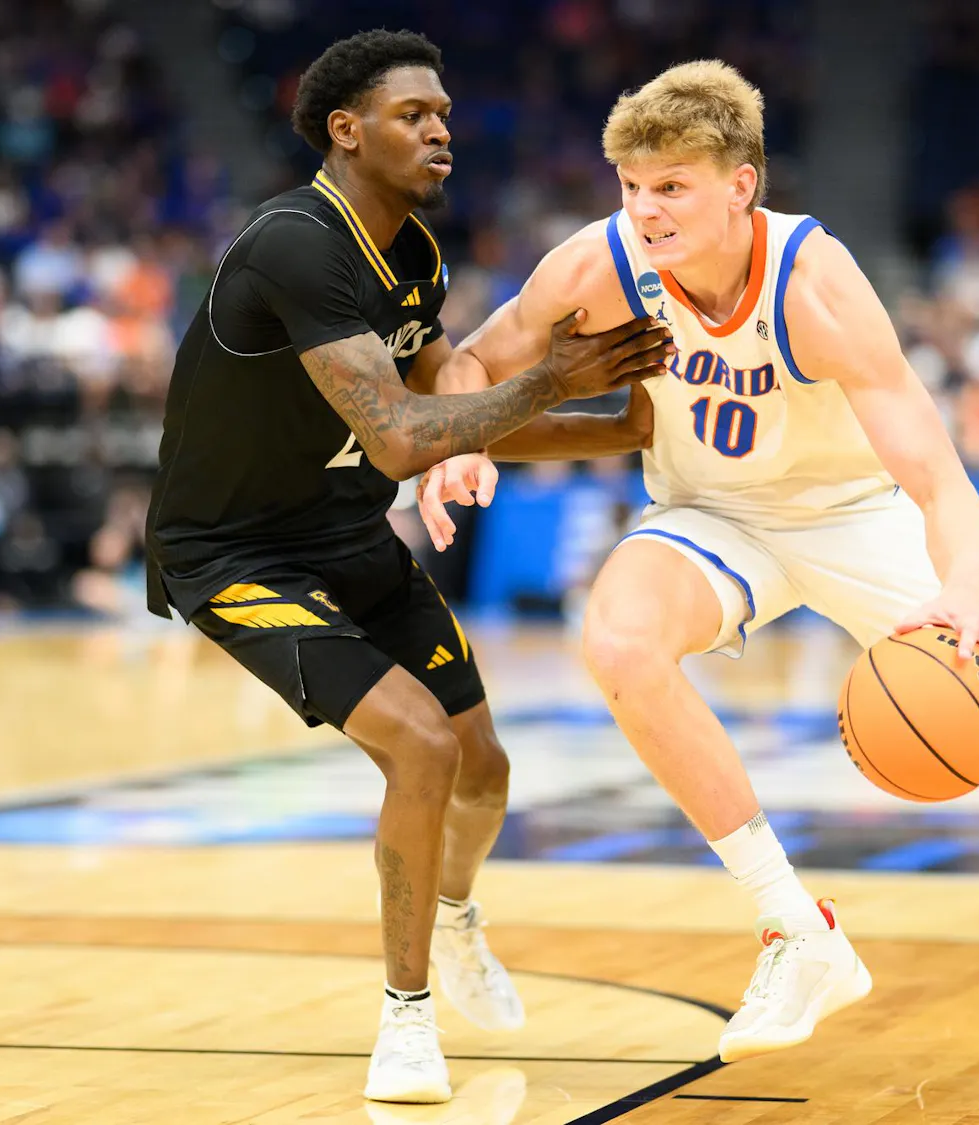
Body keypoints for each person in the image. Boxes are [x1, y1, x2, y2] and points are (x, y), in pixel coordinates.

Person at [416, 60, 979, 1090]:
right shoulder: (601, 263)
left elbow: (941, 481)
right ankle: (795, 928)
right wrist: (457, 441)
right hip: (713, 517)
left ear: (742, 186)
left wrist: (959, 592)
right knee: (617, 640)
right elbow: (468, 359)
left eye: (672, 187)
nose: (645, 209)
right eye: (633, 187)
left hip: (857, 522)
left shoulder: (816, 285)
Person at [142, 30, 672, 1105]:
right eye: (412, 115)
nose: (440, 131)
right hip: (235, 554)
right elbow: (400, 438)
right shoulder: (296, 244)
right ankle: (407, 1019)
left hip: (346, 537)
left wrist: (626, 426)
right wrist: (550, 385)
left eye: (443, 114)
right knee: (421, 750)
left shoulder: (416, 259)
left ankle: (460, 918)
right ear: (346, 132)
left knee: (486, 769)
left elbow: (455, 423)